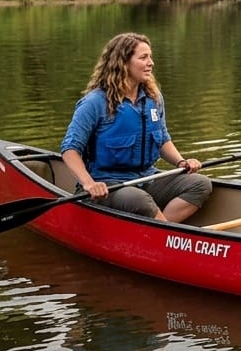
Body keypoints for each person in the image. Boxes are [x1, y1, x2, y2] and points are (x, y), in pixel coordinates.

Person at [60, 32, 211, 222]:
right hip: (108, 183)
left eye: (150, 57)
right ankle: (165, 236)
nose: (151, 63)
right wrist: (89, 183)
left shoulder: (153, 99)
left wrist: (181, 163)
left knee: (200, 184)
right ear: (123, 62)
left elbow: (162, 139)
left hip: (146, 178)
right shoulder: (94, 103)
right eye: (143, 57)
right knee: (139, 200)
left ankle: (161, 233)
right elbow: (70, 149)